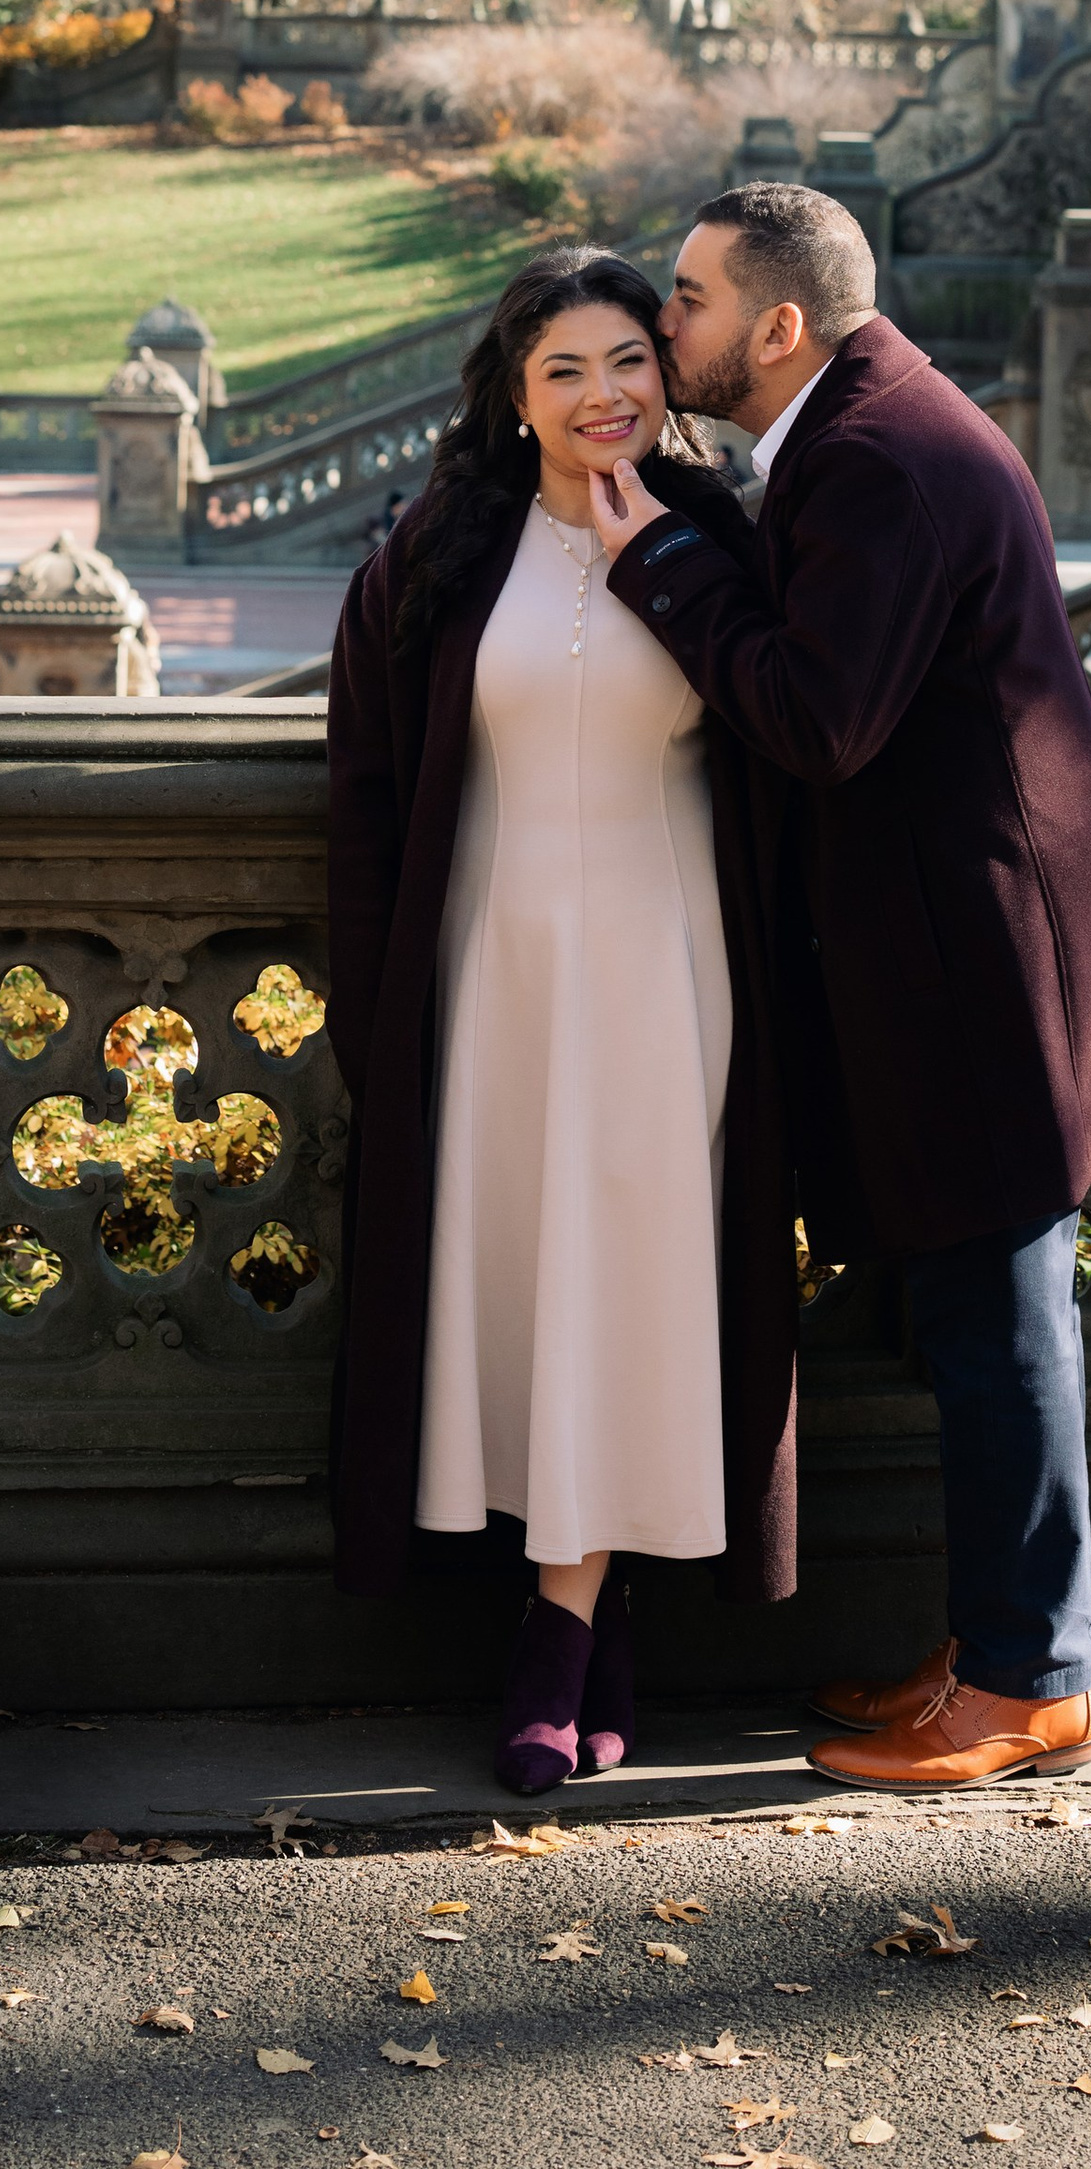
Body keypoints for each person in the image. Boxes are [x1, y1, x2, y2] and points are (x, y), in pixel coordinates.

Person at [588, 180, 1091, 1792]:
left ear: (780, 325)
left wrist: (658, 559)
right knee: (975, 1316)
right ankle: (1005, 1642)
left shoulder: (874, 454)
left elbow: (818, 717)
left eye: (692, 298)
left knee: (1001, 1329)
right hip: (972, 943)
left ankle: (1031, 1680)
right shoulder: (868, 427)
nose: (665, 322)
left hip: (985, 961)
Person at [325, 246, 798, 1794]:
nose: (605, 394)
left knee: (633, 1284)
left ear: (667, 374)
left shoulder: (725, 537)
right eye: (565, 370)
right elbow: (368, 787)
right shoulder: (437, 553)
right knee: (520, 1287)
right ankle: (595, 1617)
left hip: (668, 974)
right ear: (514, 395)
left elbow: (799, 737)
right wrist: (373, 1006)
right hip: (495, 973)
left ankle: (561, 1624)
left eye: (630, 360)